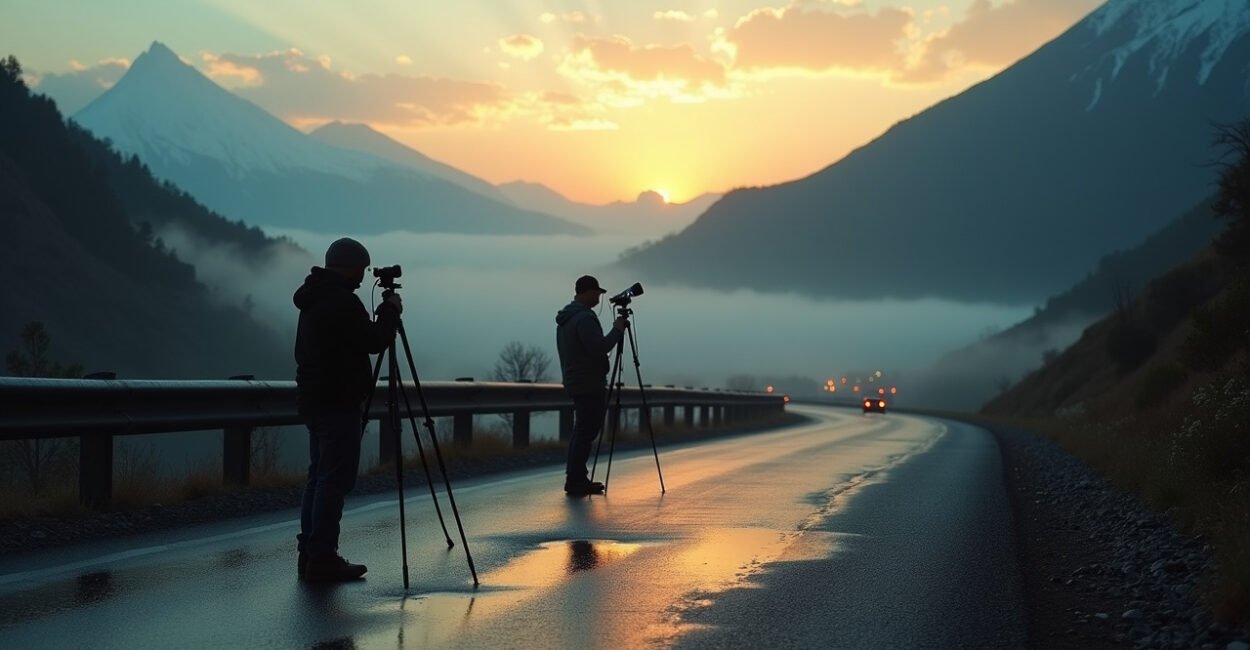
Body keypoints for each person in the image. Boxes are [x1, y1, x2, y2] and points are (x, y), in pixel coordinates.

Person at [293, 237, 402, 582]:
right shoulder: (341, 301)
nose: (363, 277)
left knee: (319, 477)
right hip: (338, 401)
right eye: (361, 269)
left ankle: (310, 552)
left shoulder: (314, 297)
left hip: (315, 399)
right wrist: (390, 310)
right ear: (349, 265)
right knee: (334, 480)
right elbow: (373, 341)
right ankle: (323, 557)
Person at [555, 275, 627, 496]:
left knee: (583, 431)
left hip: (576, 379)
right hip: (588, 382)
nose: (599, 297)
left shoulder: (568, 317)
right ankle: (575, 481)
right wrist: (617, 329)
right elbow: (598, 347)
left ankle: (578, 478)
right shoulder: (584, 319)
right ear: (585, 292)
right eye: (596, 292)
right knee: (586, 431)